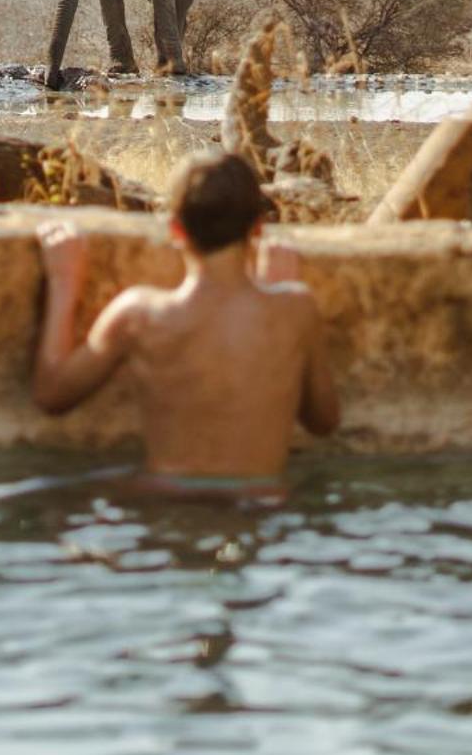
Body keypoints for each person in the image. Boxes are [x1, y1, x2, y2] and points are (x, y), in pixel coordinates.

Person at [30, 150, 339, 505]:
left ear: (175, 229)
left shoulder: (140, 315)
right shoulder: (295, 309)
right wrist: (273, 293)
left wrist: (64, 278)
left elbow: (52, 394)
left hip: (165, 503)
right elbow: (324, 421)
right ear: (258, 227)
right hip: (261, 504)